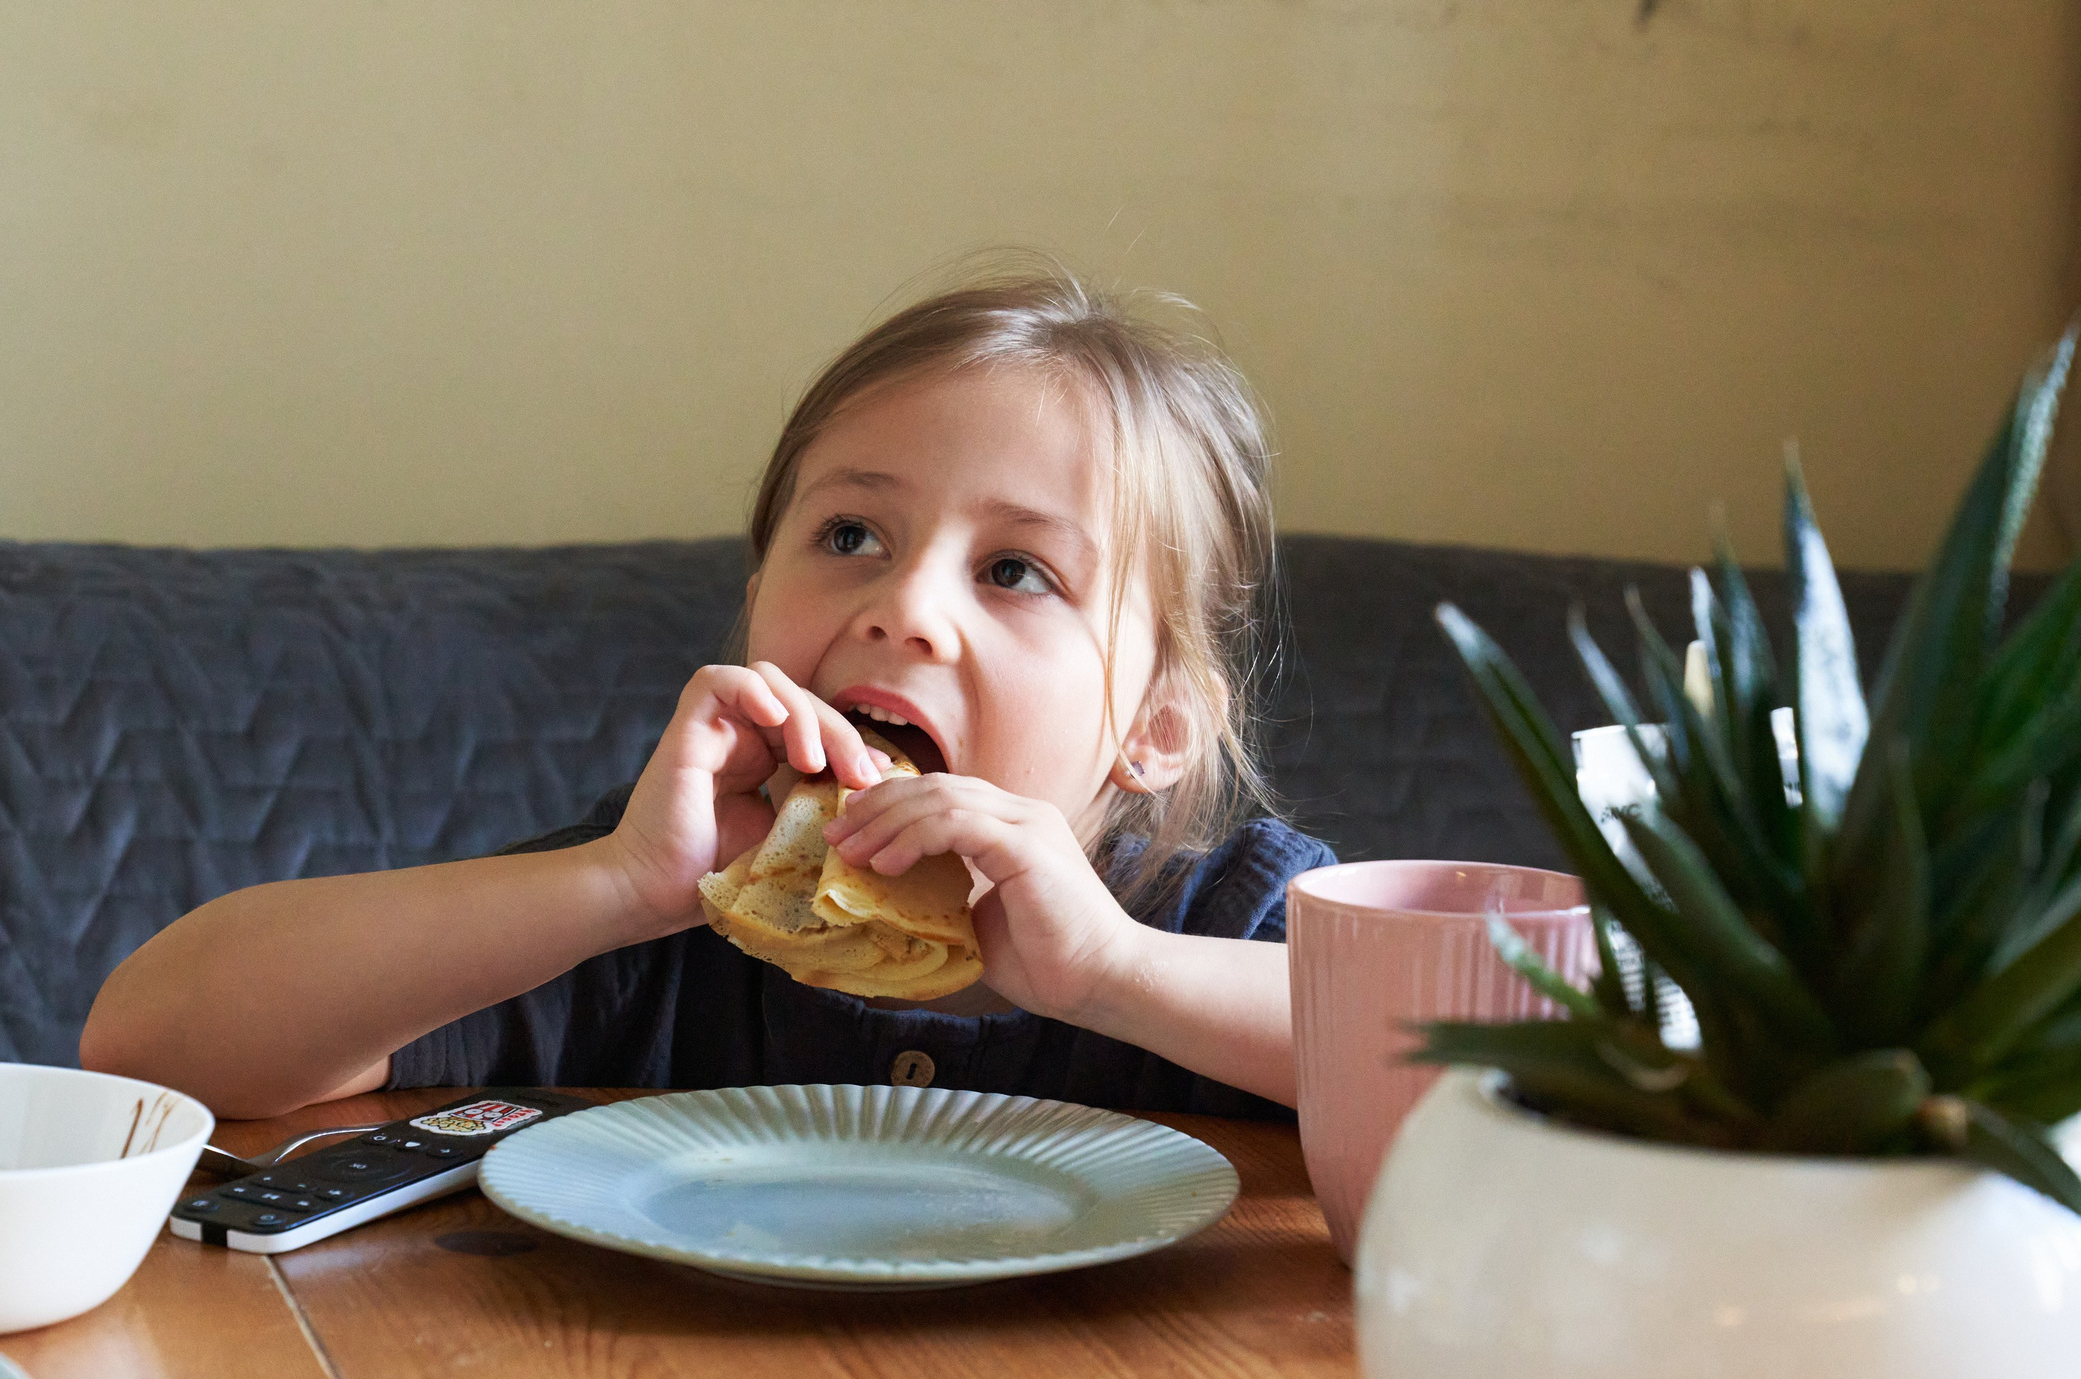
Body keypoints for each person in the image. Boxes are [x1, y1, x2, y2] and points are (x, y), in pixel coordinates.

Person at [80, 262, 1337, 1120]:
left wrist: (1114, 969)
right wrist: (609, 889)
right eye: (851, 535)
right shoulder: (670, 909)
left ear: (1158, 725)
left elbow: (1492, 1068)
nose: (902, 606)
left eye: (1015, 569)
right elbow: (150, 1044)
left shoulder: (1223, 923)